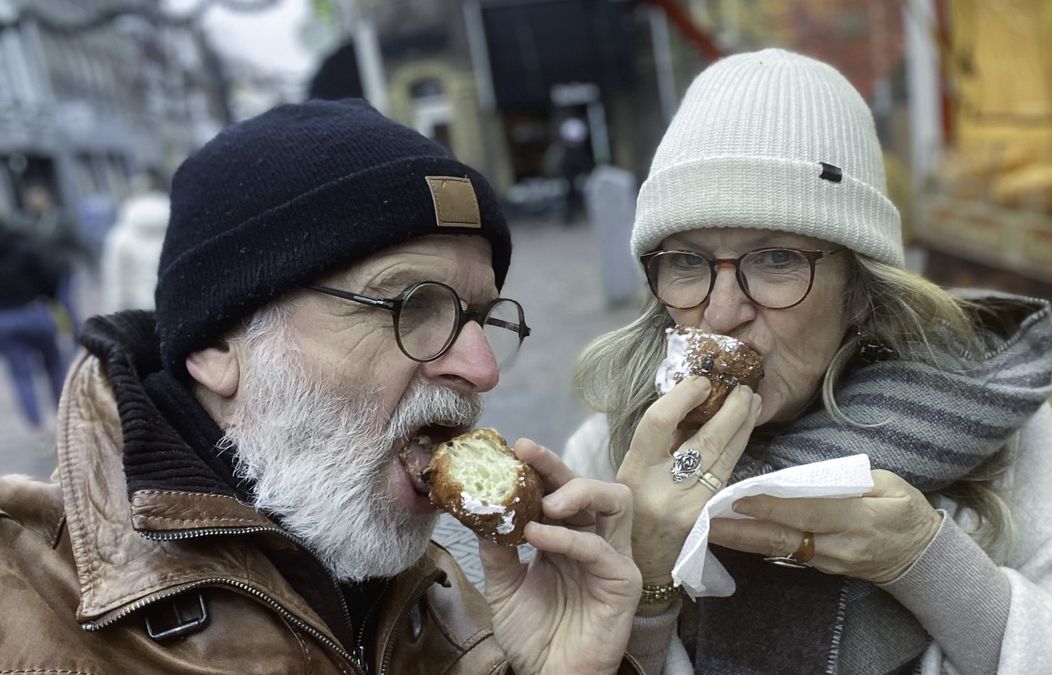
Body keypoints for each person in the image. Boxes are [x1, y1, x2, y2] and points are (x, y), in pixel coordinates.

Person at [565, 50, 1052, 674]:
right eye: (686, 261)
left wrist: (926, 563)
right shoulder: (612, 457)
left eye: (777, 258)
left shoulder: (997, 432)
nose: (722, 312)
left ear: (859, 292)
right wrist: (646, 583)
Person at [0, 99, 643, 674]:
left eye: (479, 318)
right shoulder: (23, 598)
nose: (481, 369)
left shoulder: (440, 588)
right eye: (410, 303)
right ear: (218, 344)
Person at [0, 218, 71, 427]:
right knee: (54, 365)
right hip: (34, 312)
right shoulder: (23, 246)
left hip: (4, 320)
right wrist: (48, 297)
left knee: (21, 375)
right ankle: (64, 418)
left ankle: (37, 428)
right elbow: (50, 272)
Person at [101, 169, 172, 312]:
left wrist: (115, 314)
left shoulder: (121, 235)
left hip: (141, 310)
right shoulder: (176, 225)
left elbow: (116, 282)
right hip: (175, 304)